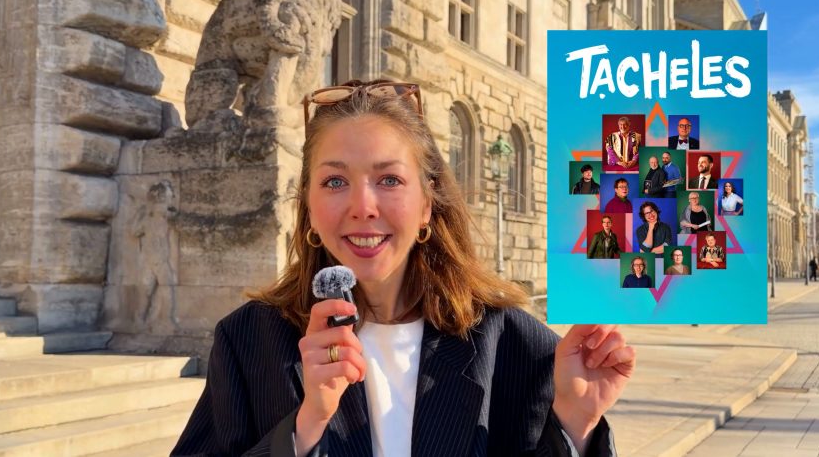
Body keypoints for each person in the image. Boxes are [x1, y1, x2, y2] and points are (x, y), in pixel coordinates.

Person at [171, 80, 635, 456]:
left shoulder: (515, 344)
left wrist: (576, 426)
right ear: (308, 207)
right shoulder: (249, 340)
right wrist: (304, 427)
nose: (362, 206)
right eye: (335, 181)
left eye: (389, 179)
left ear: (427, 204)